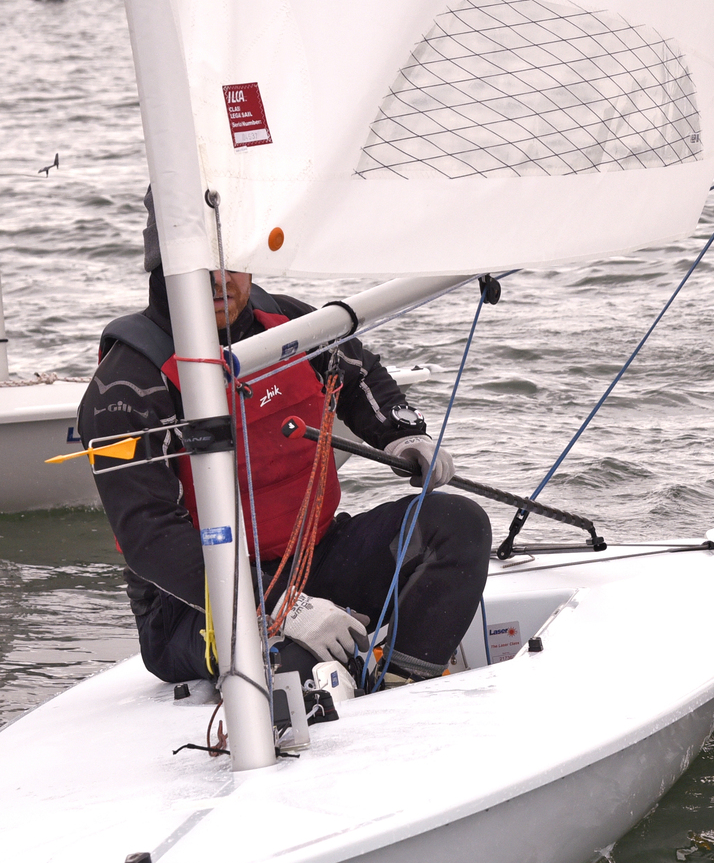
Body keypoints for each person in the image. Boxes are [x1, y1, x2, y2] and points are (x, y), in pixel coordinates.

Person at [78, 189, 492, 689]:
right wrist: (279, 606)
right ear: (162, 267)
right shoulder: (125, 387)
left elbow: (361, 373)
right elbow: (148, 537)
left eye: (231, 263)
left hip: (313, 554)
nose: (219, 281)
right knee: (301, 666)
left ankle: (399, 686)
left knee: (458, 523)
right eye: (197, 266)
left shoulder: (289, 324)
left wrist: (404, 437)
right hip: (193, 608)